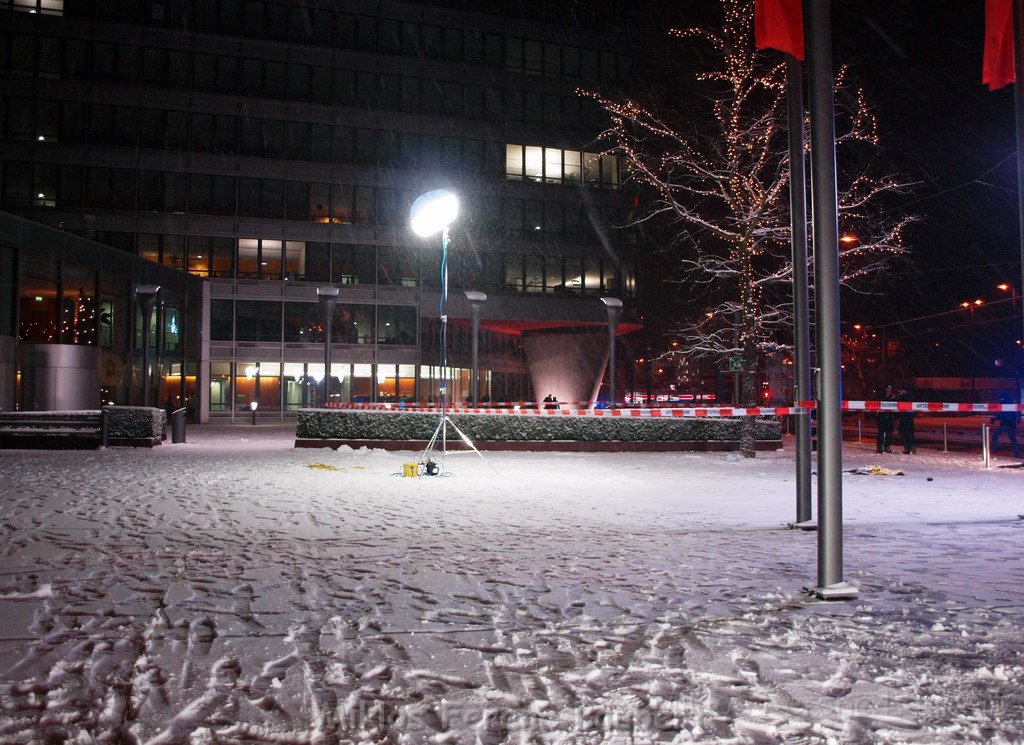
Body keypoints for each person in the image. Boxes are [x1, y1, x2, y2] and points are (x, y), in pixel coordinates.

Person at [876, 384, 896, 454]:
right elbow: (879, 404)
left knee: (889, 433)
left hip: (890, 418)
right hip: (882, 417)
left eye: (890, 388)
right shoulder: (881, 396)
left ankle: (887, 447)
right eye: (888, 388)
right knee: (881, 433)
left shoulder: (893, 397)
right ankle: (879, 448)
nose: (889, 390)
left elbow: (895, 407)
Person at [897, 389, 916, 454]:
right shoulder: (901, 398)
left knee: (908, 434)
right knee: (904, 434)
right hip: (904, 418)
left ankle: (911, 448)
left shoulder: (907, 397)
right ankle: (907, 448)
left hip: (907, 418)